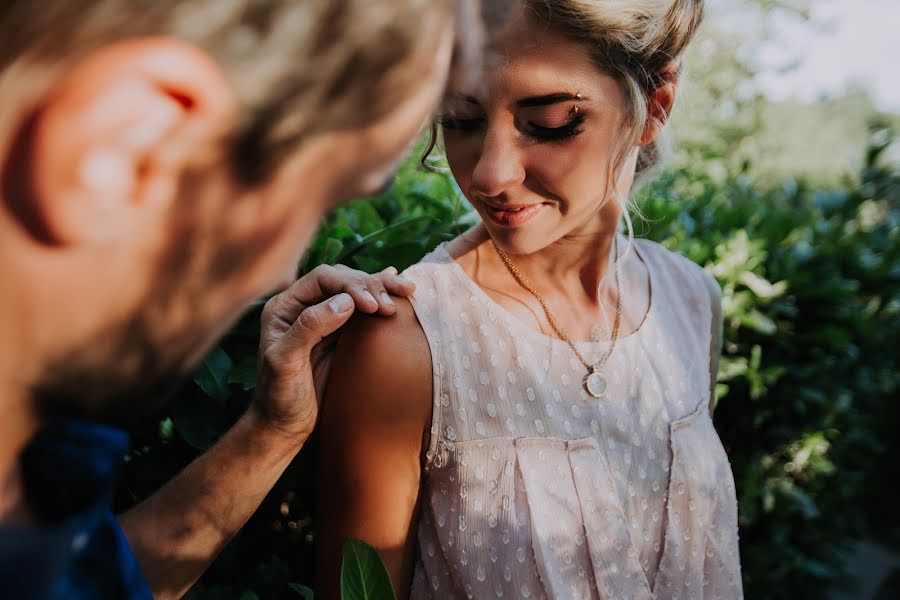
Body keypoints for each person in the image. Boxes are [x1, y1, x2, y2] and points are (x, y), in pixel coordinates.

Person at [0, 0, 483, 598]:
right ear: (122, 149)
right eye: (317, 198)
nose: (279, 272)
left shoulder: (38, 476)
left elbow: (88, 580)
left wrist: (271, 431)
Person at [317, 0, 744, 598]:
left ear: (654, 107)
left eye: (550, 123)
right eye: (460, 120)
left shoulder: (691, 302)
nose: (490, 175)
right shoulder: (406, 340)